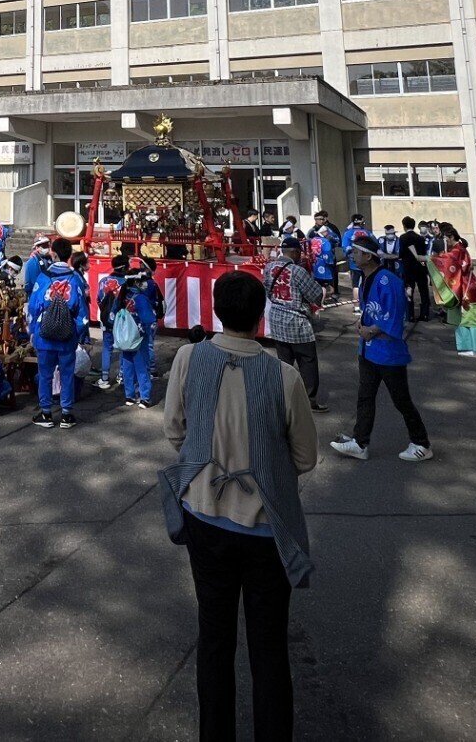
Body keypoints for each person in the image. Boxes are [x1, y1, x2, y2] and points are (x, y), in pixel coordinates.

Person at [161, 271, 317, 742]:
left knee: (214, 637)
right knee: (269, 648)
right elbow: (305, 457)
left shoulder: (189, 357)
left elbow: (175, 430)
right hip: (264, 527)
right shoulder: (284, 376)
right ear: (261, 312)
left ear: (216, 309)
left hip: (204, 513)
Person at [333, 235, 431, 462]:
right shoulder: (365, 279)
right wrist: (363, 324)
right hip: (368, 350)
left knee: (401, 400)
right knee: (364, 397)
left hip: (388, 353)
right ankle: (360, 442)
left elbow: (396, 315)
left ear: (368, 256)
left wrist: (373, 329)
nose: (353, 256)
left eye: (356, 253)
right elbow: (370, 309)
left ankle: (422, 443)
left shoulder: (388, 280)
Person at [261, 234, 329, 414]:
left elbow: (266, 291)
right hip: (297, 322)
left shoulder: (269, 268)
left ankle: (283, 398)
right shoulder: (298, 271)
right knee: (307, 361)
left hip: (277, 318)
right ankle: (309, 400)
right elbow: (315, 295)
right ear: (295, 252)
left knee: (284, 362)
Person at [27, 239, 90, 429]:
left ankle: (46, 413)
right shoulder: (75, 279)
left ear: (53, 253)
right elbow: (83, 314)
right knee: (67, 375)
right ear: (70, 255)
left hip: (45, 335)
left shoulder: (43, 278)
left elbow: (33, 307)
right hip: (67, 336)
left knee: (45, 375)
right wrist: (75, 332)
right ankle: (66, 414)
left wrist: (34, 331)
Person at [430, 224, 476, 358]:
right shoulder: (458, 250)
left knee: (471, 319)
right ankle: (468, 346)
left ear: (451, 237)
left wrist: (430, 259)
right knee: (462, 319)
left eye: (446, 239)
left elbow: (447, 261)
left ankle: (474, 348)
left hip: (466, 287)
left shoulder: (457, 251)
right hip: (463, 285)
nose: (446, 242)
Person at [117, 267, 161, 409]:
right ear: (136, 282)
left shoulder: (123, 296)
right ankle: (144, 398)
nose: (145, 283)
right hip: (139, 337)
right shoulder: (141, 298)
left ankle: (130, 396)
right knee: (142, 367)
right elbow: (149, 319)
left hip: (124, 337)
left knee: (127, 366)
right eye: (142, 281)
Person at [96, 260, 126, 392]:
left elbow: (98, 298)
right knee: (123, 348)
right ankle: (122, 375)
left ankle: (105, 378)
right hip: (122, 320)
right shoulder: (126, 283)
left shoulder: (103, 281)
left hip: (106, 318)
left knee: (107, 348)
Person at [397, 217, 433, 322]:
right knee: (423, 291)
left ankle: (410, 315)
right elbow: (423, 253)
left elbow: (401, 252)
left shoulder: (403, 238)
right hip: (421, 267)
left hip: (408, 268)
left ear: (404, 225)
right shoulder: (420, 238)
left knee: (409, 290)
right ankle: (425, 314)